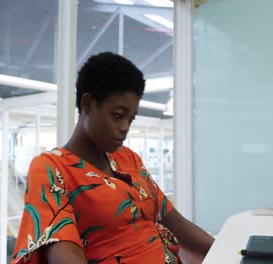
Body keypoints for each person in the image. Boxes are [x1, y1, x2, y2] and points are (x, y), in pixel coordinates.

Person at [12, 52, 214, 264]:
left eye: (131, 118)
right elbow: (62, 251)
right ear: (88, 104)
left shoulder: (129, 159)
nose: (125, 127)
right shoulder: (52, 168)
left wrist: (232, 252)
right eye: (118, 115)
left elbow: (177, 224)